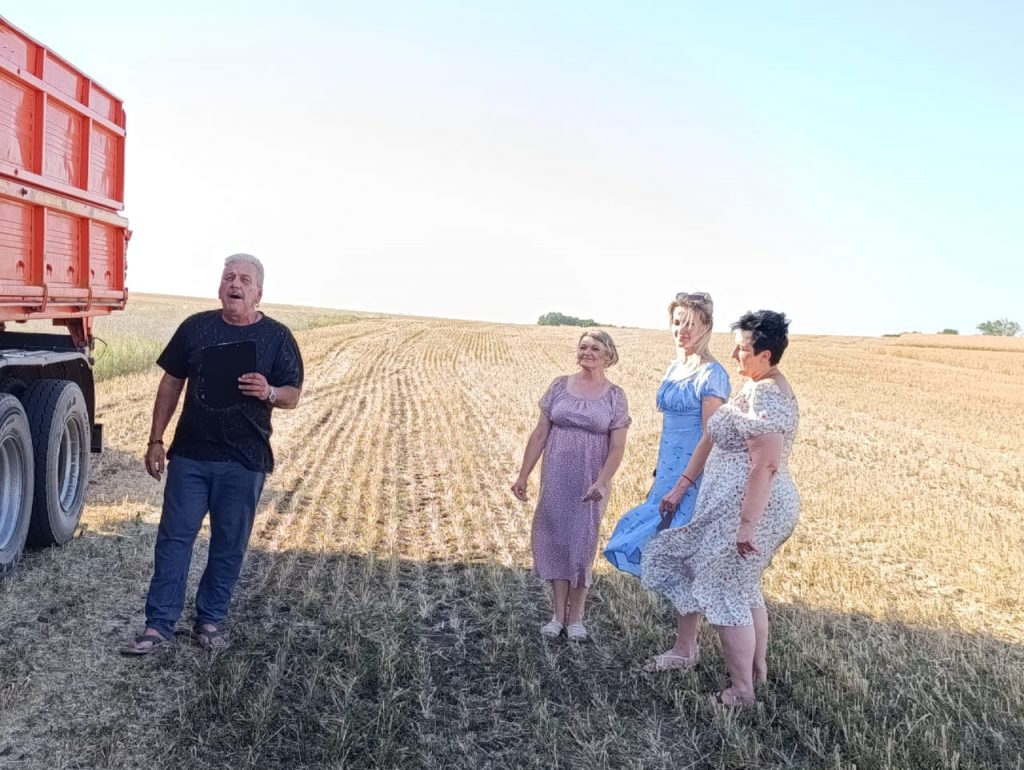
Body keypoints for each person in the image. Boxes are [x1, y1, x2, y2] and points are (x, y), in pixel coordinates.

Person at [121, 254, 304, 655]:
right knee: (173, 540)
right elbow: (171, 383)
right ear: (220, 287)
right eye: (228, 277)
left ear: (259, 293)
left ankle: (210, 620)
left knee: (228, 544)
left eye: (244, 280)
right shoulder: (196, 328)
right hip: (191, 455)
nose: (235, 284)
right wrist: (155, 440)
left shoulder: (277, 337)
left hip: (245, 460)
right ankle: (158, 625)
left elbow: (293, 394)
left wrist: (269, 391)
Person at [641, 310, 799, 706]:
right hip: (747, 507)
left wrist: (746, 525)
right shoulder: (761, 384)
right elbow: (716, 438)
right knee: (742, 587)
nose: (733, 355)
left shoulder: (765, 394)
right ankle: (755, 671)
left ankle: (742, 690)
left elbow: (766, 464)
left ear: (765, 354)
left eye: (742, 349)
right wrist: (683, 484)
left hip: (752, 509)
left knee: (724, 587)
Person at [511, 330, 631, 641]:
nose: (587, 352)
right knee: (554, 539)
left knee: (582, 543)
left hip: (591, 481)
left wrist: (602, 481)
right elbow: (540, 433)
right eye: (583, 347)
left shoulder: (615, 396)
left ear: (608, 356)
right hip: (556, 476)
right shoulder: (559, 386)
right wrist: (523, 475)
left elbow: (618, 447)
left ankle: (576, 617)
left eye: (595, 348)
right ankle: (557, 616)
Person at [604, 292, 729, 576]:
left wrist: (682, 485)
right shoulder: (674, 368)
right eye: (677, 322)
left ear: (706, 326)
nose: (682, 330)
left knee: (681, 553)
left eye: (690, 324)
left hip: (693, 475)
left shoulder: (712, 374)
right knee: (659, 551)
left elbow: (710, 436)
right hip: (667, 469)